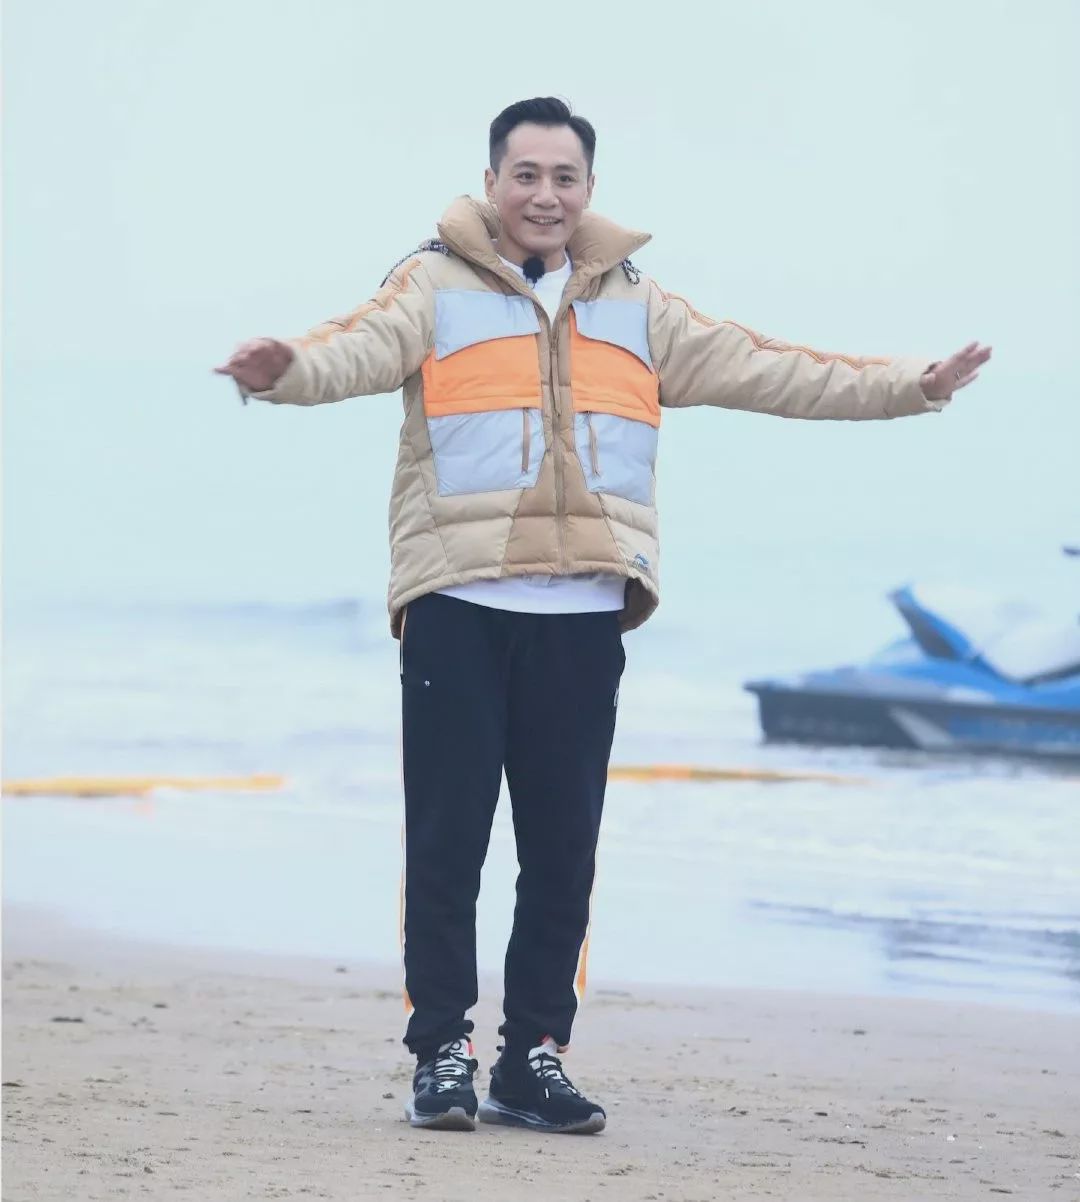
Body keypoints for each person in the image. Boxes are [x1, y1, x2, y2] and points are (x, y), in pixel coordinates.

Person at [215, 96, 991, 1135]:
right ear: (492, 183)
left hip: (583, 611)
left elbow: (778, 368)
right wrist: (285, 372)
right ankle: (441, 1052)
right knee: (448, 843)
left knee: (563, 851)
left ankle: (532, 1056)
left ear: (588, 189)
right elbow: (350, 348)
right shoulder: (431, 286)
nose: (545, 195)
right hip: (458, 601)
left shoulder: (638, 307)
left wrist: (913, 384)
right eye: (526, 175)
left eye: (565, 177)